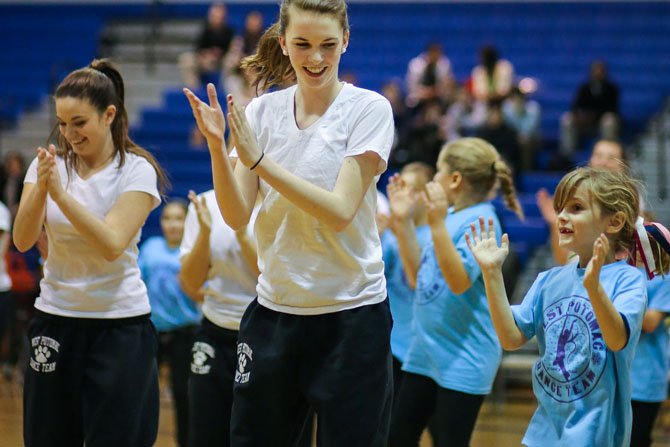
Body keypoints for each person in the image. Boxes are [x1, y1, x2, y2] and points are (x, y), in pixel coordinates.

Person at [183, 0, 395, 445]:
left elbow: (340, 212)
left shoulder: (368, 110)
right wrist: (219, 149)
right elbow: (238, 213)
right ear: (283, 42)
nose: (315, 58)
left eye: (327, 45)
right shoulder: (261, 112)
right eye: (302, 44)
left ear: (346, 42)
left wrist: (260, 162)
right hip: (274, 313)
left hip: (351, 317)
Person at [13, 58, 167, 447]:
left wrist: (60, 196)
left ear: (108, 114)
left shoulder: (136, 170)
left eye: (78, 122)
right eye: (62, 123)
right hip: (55, 320)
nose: (68, 134)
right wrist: (43, 189)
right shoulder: (46, 166)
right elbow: (23, 239)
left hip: (120, 328)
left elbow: (112, 243)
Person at [467, 167, 647, 446]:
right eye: (560, 208)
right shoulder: (549, 279)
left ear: (614, 222)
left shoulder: (628, 280)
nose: (562, 216)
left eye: (576, 208)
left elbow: (617, 339)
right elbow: (511, 338)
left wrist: (594, 288)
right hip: (543, 431)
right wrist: (492, 274)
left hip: (594, 435)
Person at [388, 137, 523, 447]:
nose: (434, 179)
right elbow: (414, 277)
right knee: (396, 436)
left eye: (438, 171)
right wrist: (404, 221)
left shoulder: (482, 219)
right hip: (426, 351)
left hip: (464, 357)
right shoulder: (449, 217)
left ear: (455, 179)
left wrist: (435, 226)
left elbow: (459, 281)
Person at [179, 188, 260, 447]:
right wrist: (205, 233)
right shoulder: (204, 203)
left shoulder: (278, 198)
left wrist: (241, 233)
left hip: (265, 335)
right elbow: (190, 283)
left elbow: (276, 280)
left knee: (258, 432)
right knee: (205, 433)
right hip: (213, 332)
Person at [138, 199, 199, 447]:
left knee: (184, 396)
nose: (172, 224)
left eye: (178, 218)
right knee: (143, 394)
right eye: (167, 218)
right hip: (152, 330)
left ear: (187, 221)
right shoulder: (151, 247)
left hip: (186, 332)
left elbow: (202, 290)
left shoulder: (195, 250)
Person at [381, 161, 434, 400]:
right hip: (391, 344)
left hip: (424, 348)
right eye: (399, 186)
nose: (403, 195)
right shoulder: (389, 235)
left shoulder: (436, 237)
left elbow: (417, 281)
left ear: (425, 195)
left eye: (410, 189)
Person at [629, 221, 670, 447]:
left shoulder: (666, 278)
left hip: (647, 379)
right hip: (621, 376)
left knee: (638, 440)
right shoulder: (625, 273)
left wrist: (612, 302)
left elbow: (650, 323)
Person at [560, 60, 620, 155]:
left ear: (605, 72)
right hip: (584, 121)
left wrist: (594, 115)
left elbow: (613, 109)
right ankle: (567, 153)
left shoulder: (611, 89)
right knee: (567, 119)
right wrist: (579, 115)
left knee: (609, 120)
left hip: (601, 120)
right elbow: (575, 106)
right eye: (595, 70)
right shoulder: (584, 88)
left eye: (600, 70)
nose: (597, 73)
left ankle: (607, 151)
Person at [179, 2, 236, 89]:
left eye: (218, 15)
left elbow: (232, 50)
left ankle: (223, 89)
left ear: (223, 16)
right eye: (214, 15)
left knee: (232, 60)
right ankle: (194, 90)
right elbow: (198, 48)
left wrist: (218, 54)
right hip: (205, 61)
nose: (216, 18)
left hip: (221, 61)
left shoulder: (229, 32)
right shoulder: (205, 30)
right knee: (186, 59)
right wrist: (205, 55)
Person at [405, 42, 454, 110]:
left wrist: (436, 91)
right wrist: (426, 93)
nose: (436, 57)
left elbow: (447, 85)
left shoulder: (444, 64)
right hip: (418, 99)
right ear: (429, 53)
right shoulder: (416, 65)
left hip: (438, 97)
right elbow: (411, 88)